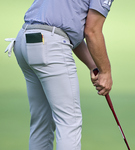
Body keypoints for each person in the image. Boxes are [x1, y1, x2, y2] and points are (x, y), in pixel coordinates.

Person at [6, 0, 114, 150]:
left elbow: (70, 34)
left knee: (41, 123)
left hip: (26, 39)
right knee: (69, 122)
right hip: (50, 44)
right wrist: (105, 72)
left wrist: (94, 66)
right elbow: (92, 31)